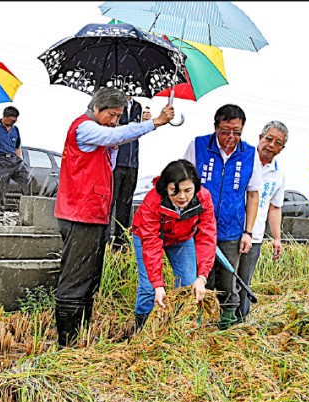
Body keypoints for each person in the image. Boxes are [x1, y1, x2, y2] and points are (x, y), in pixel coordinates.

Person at [53, 86, 174, 348]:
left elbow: (114, 141)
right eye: (112, 114)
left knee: (90, 277)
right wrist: (154, 123)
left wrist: (119, 139)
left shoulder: (102, 136)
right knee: (75, 278)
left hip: (95, 215)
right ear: (96, 108)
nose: (115, 121)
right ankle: (66, 341)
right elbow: (115, 134)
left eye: (119, 116)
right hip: (80, 214)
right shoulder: (84, 128)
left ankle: (81, 334)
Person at [183, 104, 262, 329]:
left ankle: (226, 326)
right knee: (200, 277)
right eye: (225, 131)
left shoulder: (248, 153)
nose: (231, 137)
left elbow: (253, 194)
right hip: (199, 228)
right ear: (215, 127)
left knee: (229, 280)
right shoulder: (198, 146)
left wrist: (248, 232)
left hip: (232, 229)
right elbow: (184, 183)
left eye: (236, 132)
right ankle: (196, 323)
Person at [130, 159, 217, 331]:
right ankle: (142, 331)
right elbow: (151, 243)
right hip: (147, 236)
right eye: (174, 191)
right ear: (166, 187)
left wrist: (202, 276)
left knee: (188, 283)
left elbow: (207, 236)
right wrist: (158, 285)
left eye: (187, 190)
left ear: (195, 187)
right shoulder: (153, 201)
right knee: (148, 288)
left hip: (182, 238)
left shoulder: (203, 198)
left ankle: (179, 328)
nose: (182, 196)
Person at [236, 121, 288, 321]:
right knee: (223, 280)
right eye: (268, 139)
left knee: (244, 281)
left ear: (281, 149)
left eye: (277, 142)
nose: (271, 145)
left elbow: (274, 207)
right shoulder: (243, 160)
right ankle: (219, 320)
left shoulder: (278, 173)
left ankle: (240, 323)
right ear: (260, 138)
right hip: (232, 230)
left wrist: (276, 238)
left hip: (255, 236)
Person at [107, 93, 143, 251]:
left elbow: (138, 132)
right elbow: (110, 129)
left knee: (126, 203)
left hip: (132, 162)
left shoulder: (138, 106)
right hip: (116, 161)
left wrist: (145, 123)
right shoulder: (113, 104)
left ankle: (121, 240)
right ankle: (105, 238)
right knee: (110, 201)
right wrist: (129, 127)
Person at [0, 105, 31, 209]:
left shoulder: (15, 129)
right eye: (12, 120)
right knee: (2, 185)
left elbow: (17, 146)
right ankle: (0, 209)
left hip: (14, 159)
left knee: (27, 179)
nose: (13, 123)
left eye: (15, 121)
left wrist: (19, 159)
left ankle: (27, 207)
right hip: (0, 160)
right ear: (5, 116)